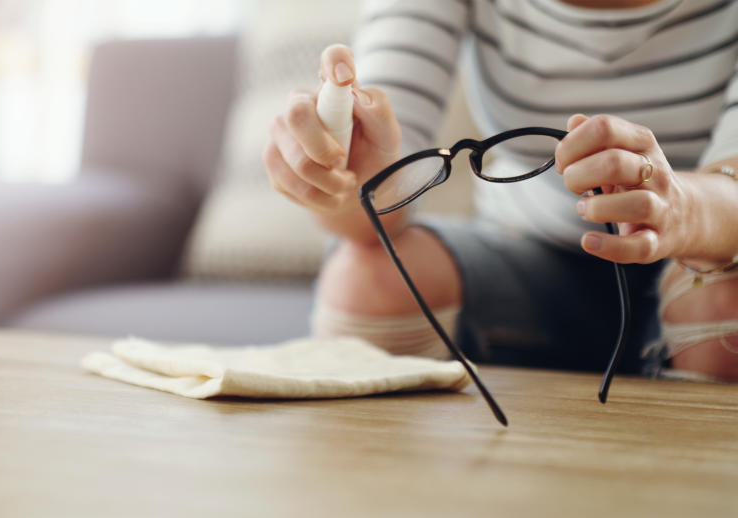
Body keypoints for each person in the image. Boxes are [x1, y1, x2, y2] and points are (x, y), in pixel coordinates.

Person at [263, 0, 738, 381]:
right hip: (530, 259)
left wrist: (686, 212)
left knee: (722, 302)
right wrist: (342, 176)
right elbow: (372, 212)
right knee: (364, 281)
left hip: (711, 255)